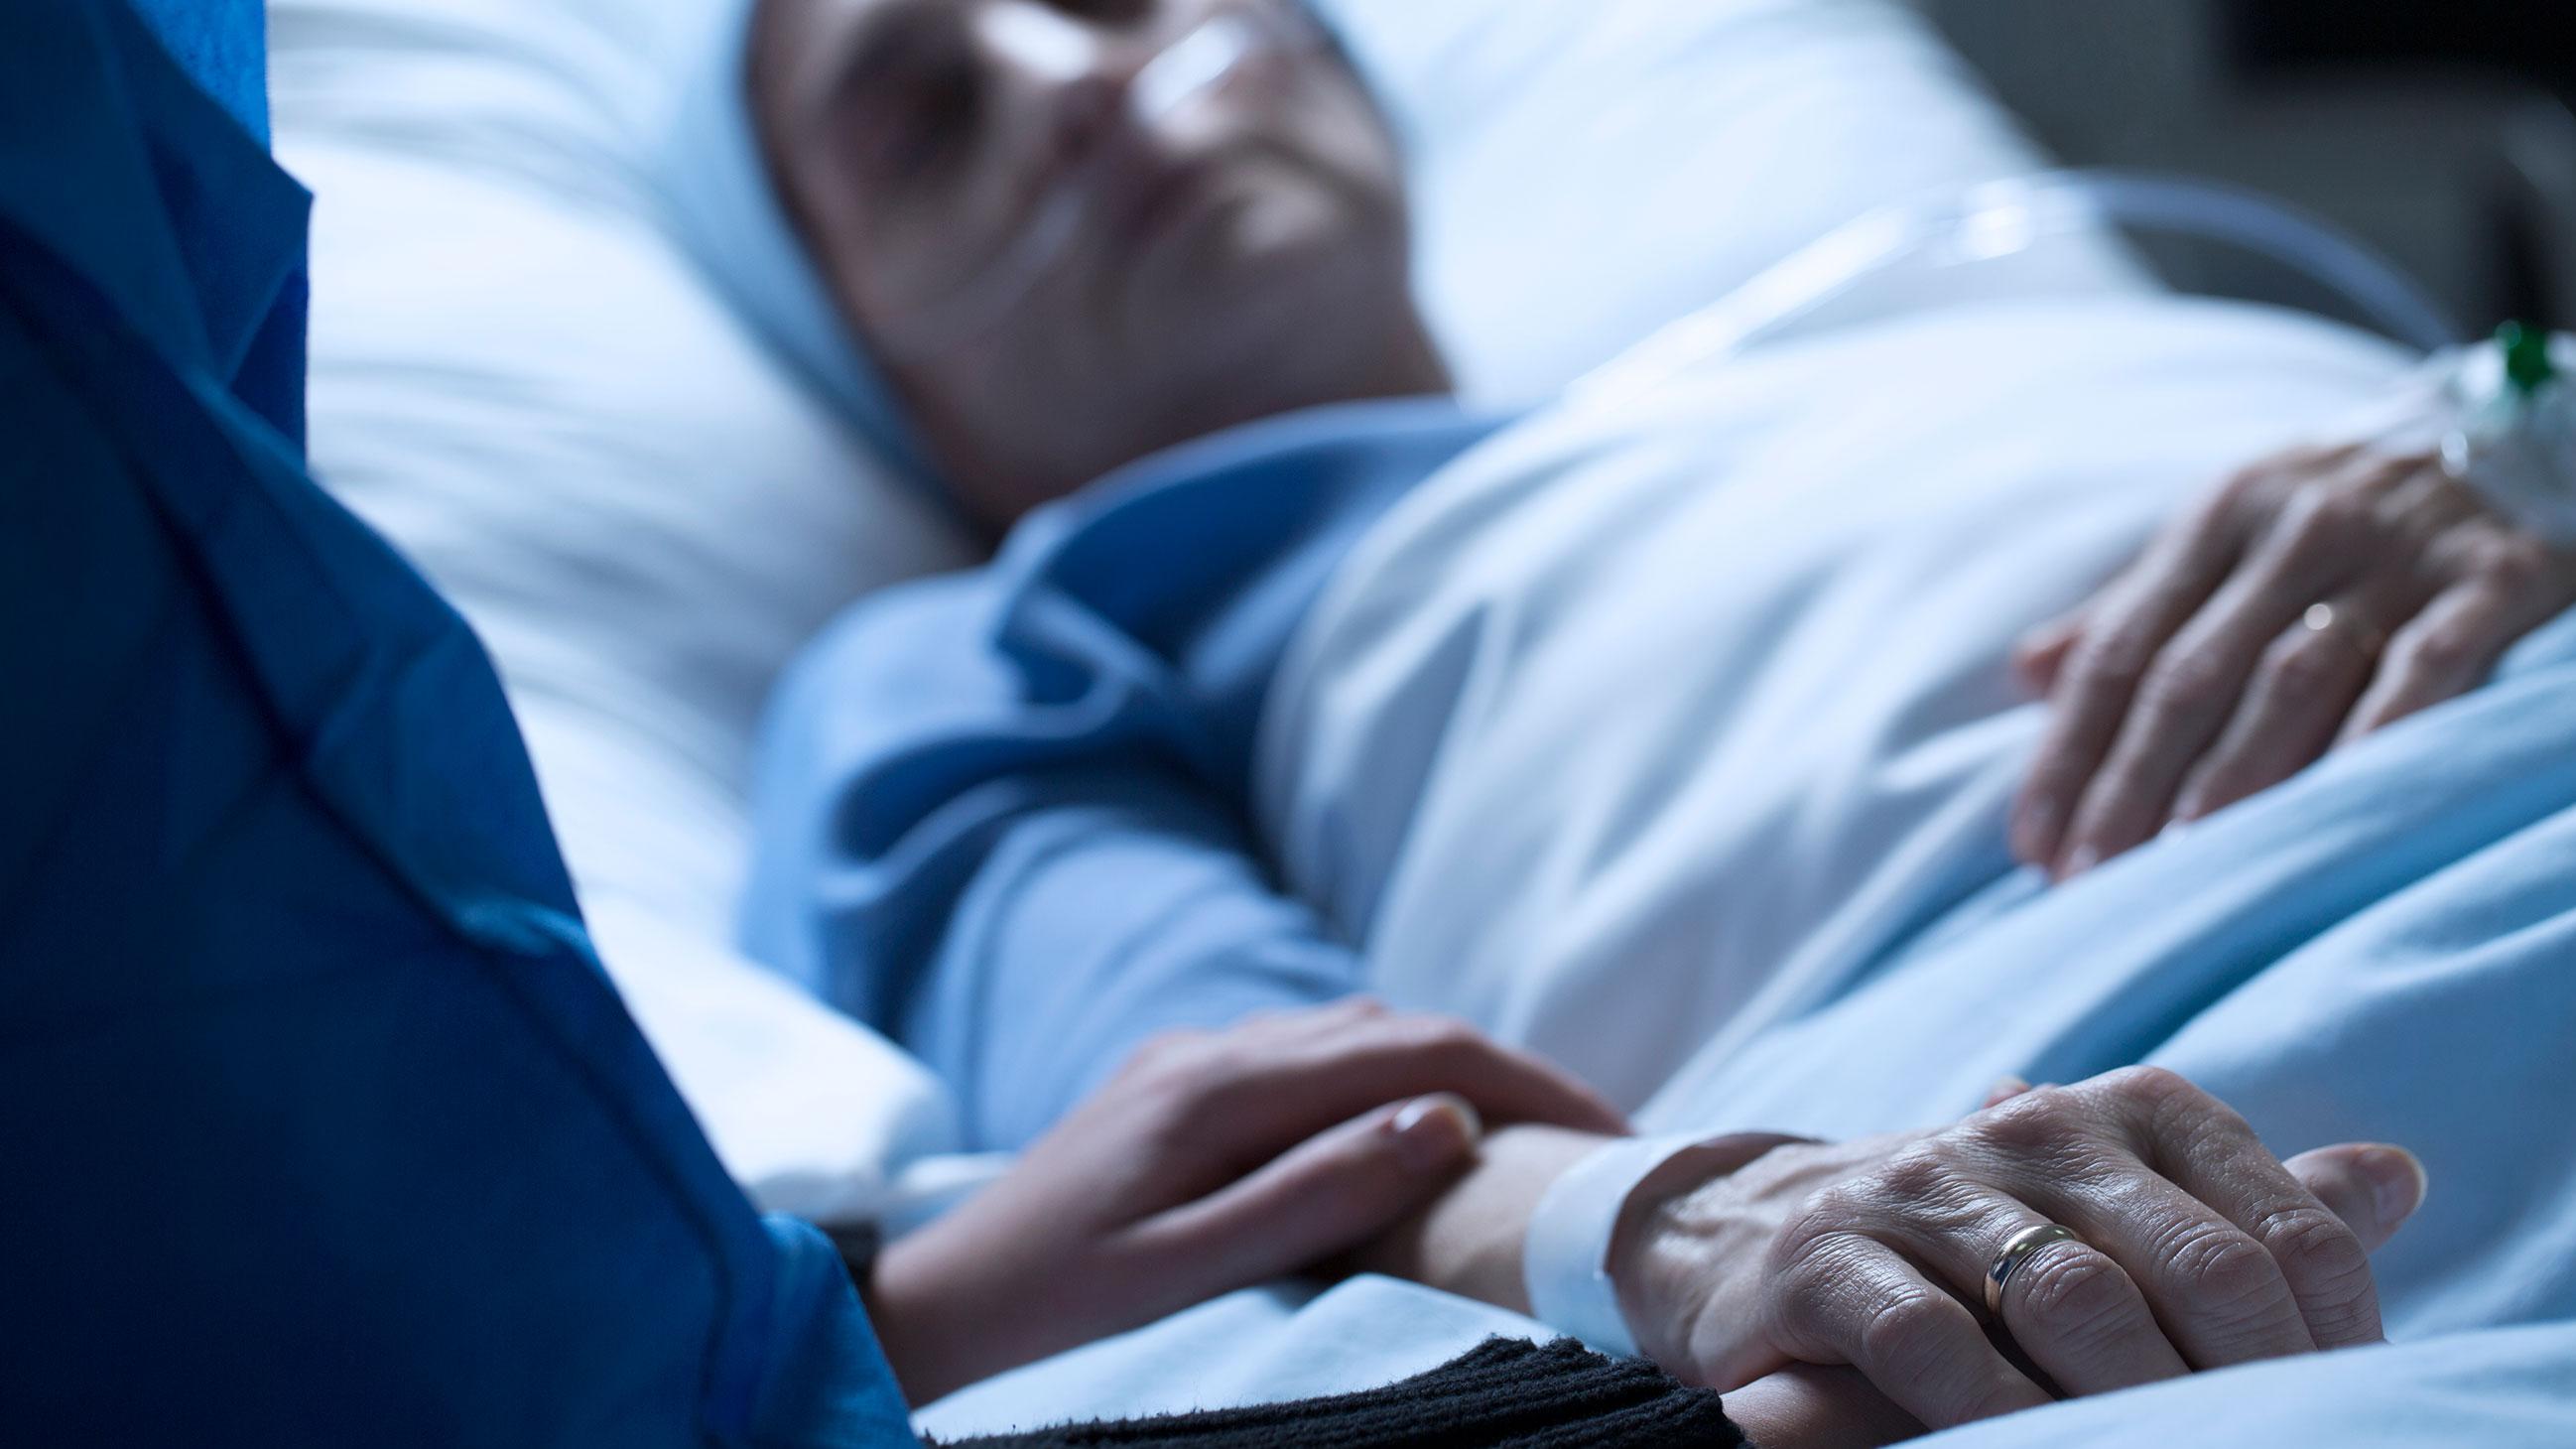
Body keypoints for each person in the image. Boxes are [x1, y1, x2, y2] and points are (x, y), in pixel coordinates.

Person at [719, 0, 2539, 1437]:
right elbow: (1226, 1110)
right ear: (868, 349)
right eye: (926, 127)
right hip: (2196, 1090)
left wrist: (2517, 457)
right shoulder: (1004, 637)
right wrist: (1687, 1226)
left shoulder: (1911, 333)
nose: (1074, 86)